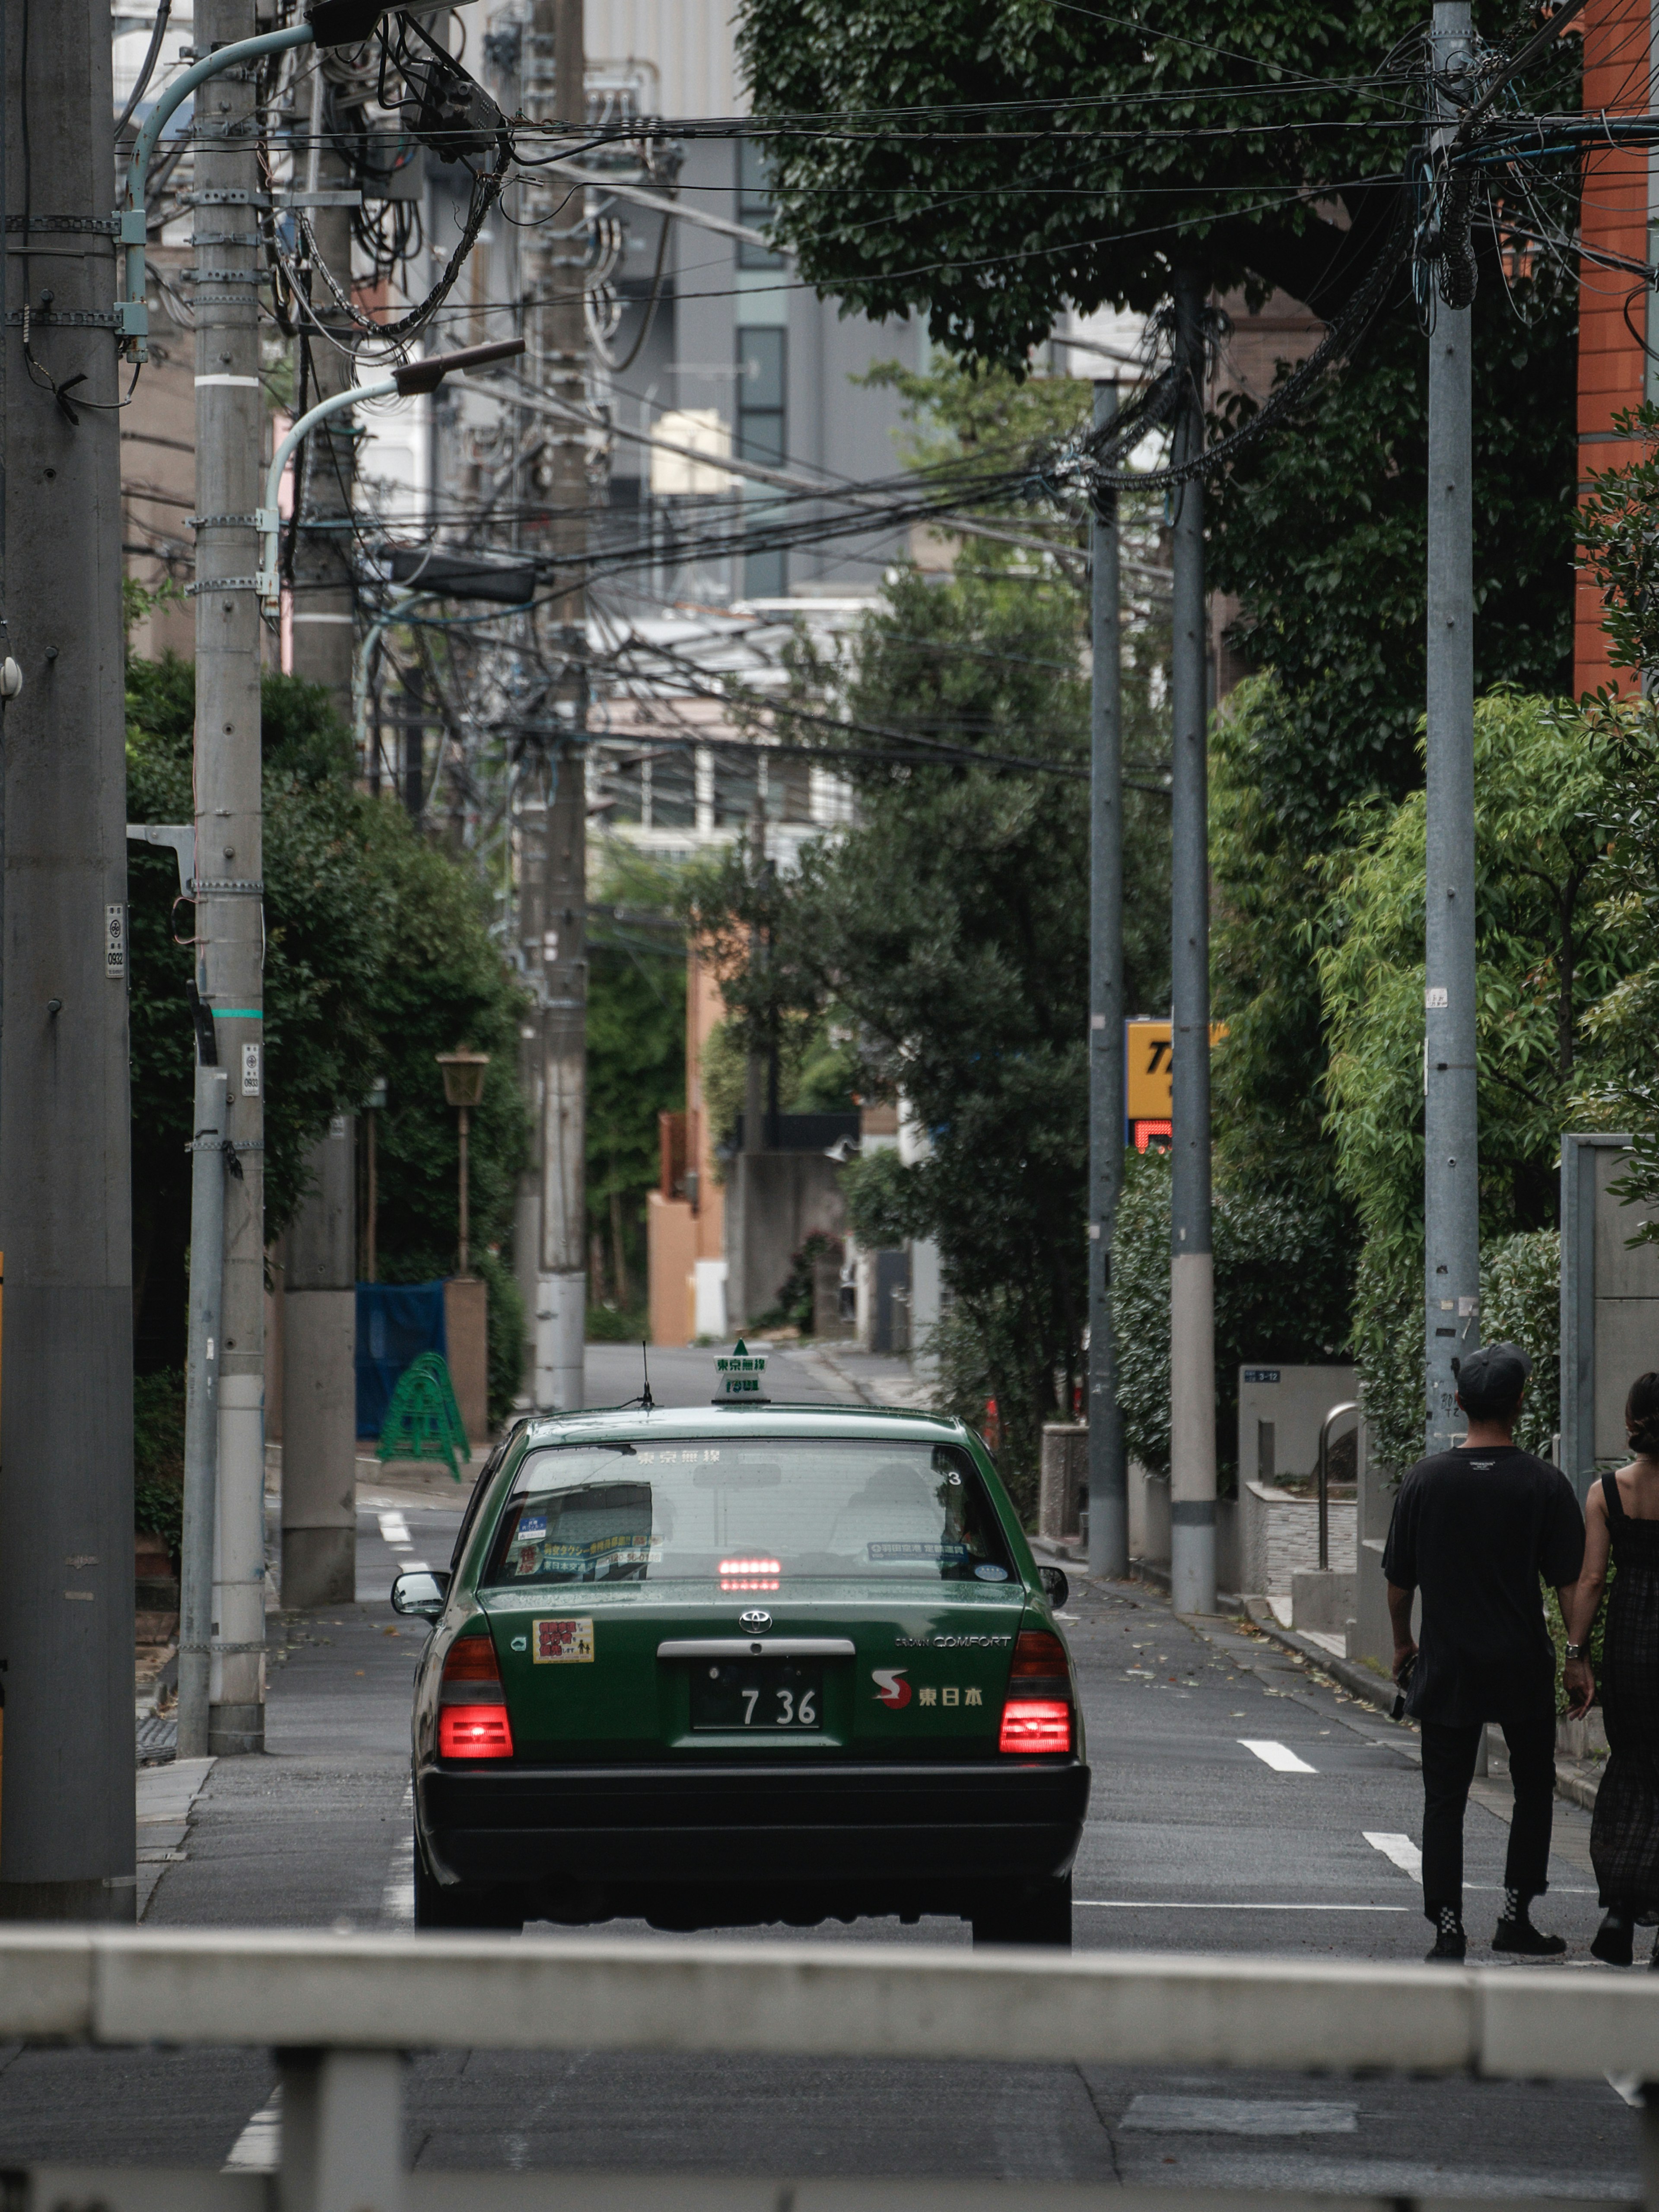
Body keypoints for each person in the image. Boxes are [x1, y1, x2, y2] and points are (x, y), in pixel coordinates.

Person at [1383, 1341, 1589, 1962]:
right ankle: (1514, 1915)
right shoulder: (1544, 1484)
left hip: (1447, 1665)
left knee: (1444, 1797)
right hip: (1520, 1662)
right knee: (1532, 1786)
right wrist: (1577, 1655)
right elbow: (1570, 1584)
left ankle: (1448, 1928)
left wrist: (1403, 1643)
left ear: (1459, 1401)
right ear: (1520, 1403)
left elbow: (1398, 1583)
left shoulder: (1424, 1480)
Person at [1564, 1373, 1659, 1967]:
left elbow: (1592, 1580)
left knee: (1631, 1767)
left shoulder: (1606, 1492)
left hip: (1629, 1638)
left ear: (1630, 1423)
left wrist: (1577, 1654)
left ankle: (1620, 1910)